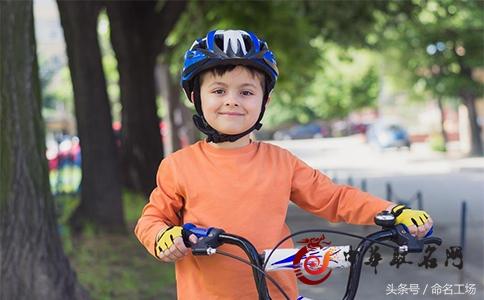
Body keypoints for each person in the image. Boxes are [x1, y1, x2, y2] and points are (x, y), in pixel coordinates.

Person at [134, 29, 433, 299]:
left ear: (265, 100)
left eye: (247, 92)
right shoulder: (179, 165)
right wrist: (165, 237)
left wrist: (393, 212)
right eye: (219, 90)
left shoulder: (281, 162)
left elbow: (334, 198)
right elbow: (150, 221)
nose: (232, 101)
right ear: (195, 96)